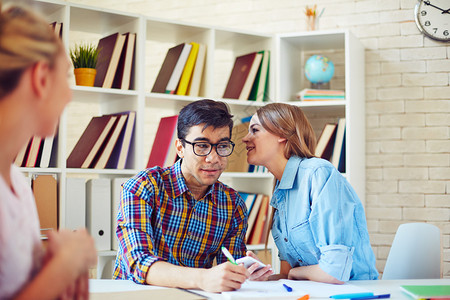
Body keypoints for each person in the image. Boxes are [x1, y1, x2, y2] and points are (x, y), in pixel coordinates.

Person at [113, 99, 272, 292]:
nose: (213, 158)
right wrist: (203, 278)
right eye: (202, 146)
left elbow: (229, 267)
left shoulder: (232, 204)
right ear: (180, 148)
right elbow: (139, 262)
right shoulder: (143, 187)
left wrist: (244, 274)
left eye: (222, 146)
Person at [0, 4, 97, 300]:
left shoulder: (17, 182)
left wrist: (46, 268)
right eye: (66, 77)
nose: (69, 95)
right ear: (41, 78)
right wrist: (64, 268)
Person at [242, 102, 379, 283]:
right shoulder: (280, 193)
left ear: (281, 134)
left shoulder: (318, 173)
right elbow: (287, 275)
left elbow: (334, 272)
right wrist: (262, 277)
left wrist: (295, 274)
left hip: (353, 293)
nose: (245, 138)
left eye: (255, 130)